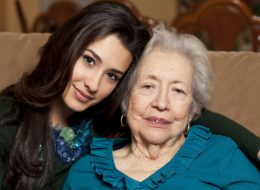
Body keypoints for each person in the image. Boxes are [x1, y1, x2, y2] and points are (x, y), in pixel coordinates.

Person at [63, 24, 260, 189]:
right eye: (148, 86)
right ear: (124, 99)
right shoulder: (85, 171)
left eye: (178, 91)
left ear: (192, 110)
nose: (161, 103)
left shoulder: (222, 157)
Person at [0, 1, 151, 189]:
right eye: (89, 60)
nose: (93, 85)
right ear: (67, 46)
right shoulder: (7, 118)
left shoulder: (106, 120)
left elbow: (192, 115)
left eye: (111, 76)